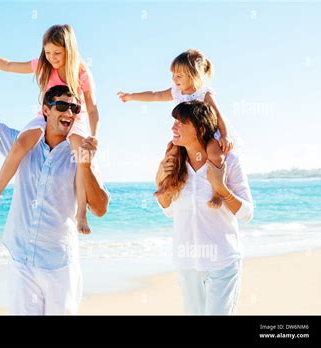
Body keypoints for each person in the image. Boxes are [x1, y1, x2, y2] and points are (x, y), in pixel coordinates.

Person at [0, 47, 109, 315]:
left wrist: (86, 165)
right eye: (62, 106)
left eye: (74, 108)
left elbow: (100, 207)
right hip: (21, 262)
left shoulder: (79, 151)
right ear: (45, 110)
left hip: (60, 266)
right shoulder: (23, 144)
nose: (69, 113)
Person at [0, 24, 100, 235]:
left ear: (69, 50)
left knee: (80, 157)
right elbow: (8, 65)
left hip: (75, 118)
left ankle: (81, 212)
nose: (52, 57)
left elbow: (91, 107)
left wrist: (94, 135)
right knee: (20, 144)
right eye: (47, 52)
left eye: (57, 53)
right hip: (46, 116)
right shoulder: (44, 66)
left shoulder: (81, 71)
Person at [155, 100, 253, 315]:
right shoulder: (174, 162)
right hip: (187, 263)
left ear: (200, 129)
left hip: (222, 262)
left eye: (181, 122)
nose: (173, 127)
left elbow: (247, 213)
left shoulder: (229, 161)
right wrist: (160, 178)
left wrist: (222, 188)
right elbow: (168, 209)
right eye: (174, 122)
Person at [118, 49, 233, 208]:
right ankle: (166, 187)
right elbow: (155, 95)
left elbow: (219, 115)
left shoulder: (204, 93)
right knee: (172, 155)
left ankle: (217, 193)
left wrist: (225, 135)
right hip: (186, 135)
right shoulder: (176, 91)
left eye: (179, 75)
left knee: (215, 155)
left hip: (208, 134)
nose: (174, 78)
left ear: (193, 75)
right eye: (173, 74)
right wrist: (131, 96)